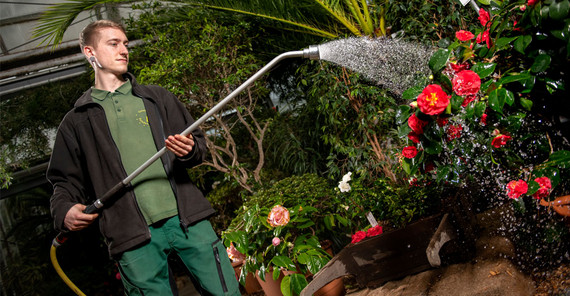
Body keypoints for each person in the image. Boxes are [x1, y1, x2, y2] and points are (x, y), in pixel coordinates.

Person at [47, 19, 240, 296]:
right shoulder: (77, 121)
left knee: (226, 293)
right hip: (129, 234)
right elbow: (64, 182)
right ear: (90, 53)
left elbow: (198, 145)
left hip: (188, 219)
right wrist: (63, 210)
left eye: (125, 44)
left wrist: (189, 150)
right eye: (113, 44)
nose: (123, 50)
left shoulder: (156, 98)